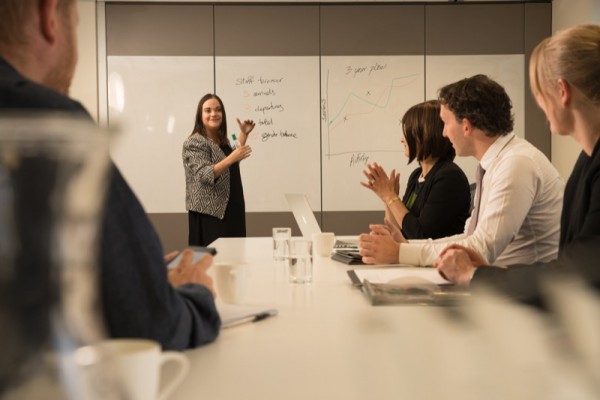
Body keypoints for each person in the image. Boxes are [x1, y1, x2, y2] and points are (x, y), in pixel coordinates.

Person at [0, 0, 220, 350]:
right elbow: (153, 326)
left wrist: (133, 269)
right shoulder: (47, 125)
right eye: (76, 24)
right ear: (49, 17)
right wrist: (194, 291)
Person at [435, 24, 600, 302]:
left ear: (562, 91)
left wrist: (475, 275)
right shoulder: (586, 161)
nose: (539, 103)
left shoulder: (527, 162)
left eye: (539, 92)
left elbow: (580, 274)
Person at [359, 74, 564, 267]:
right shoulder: (497, 163)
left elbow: (481, 249)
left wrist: (400, 253)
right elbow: (469, 238)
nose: (443, 133)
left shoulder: (516, 164)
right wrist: (405, 247)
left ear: (466, 126)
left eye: (446, 123)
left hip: (525, 291)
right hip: (507, 281)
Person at [361, 100, 471, 240]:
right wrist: (387, 199)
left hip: (435, 260)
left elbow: (420, 235)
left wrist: (390, 196)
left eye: (408, 132)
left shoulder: (449, 177)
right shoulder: (416, 175)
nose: (402, 139)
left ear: (427, 135)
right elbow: (398, 231)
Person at [183, 94, 254, 246]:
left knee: (234, 261)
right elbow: (205, 174)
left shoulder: (223, 139)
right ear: (200, 115)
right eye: (208, 111)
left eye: (218, 110)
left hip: (232, 211)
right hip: (211, 216)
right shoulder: (194, 142)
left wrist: (244, 134)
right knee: (213, 264)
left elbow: (233, 157)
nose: (214, 114)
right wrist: (232, 158)